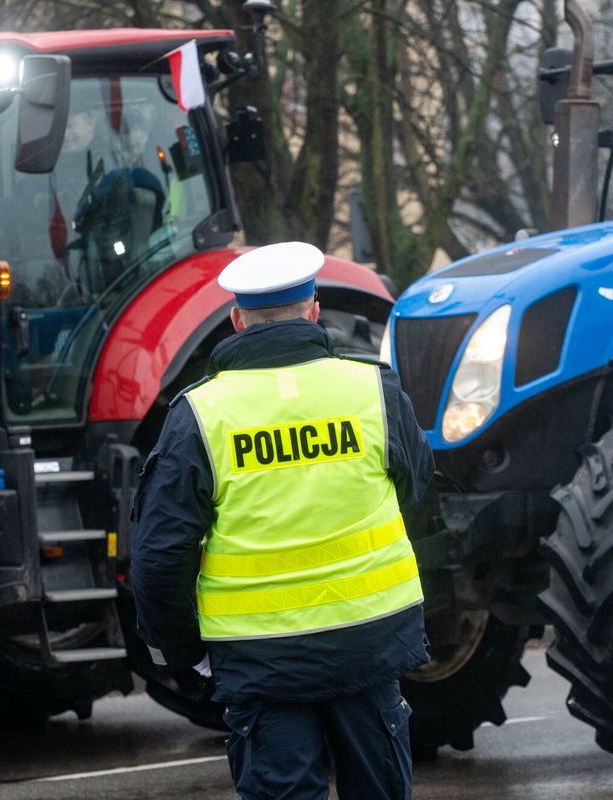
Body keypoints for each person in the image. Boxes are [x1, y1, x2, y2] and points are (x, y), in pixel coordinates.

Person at [129, 241, 434, 800]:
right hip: (369, 649)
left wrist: (186, 655)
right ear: (315, 309)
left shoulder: (199, 414)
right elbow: (420, 501)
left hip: (260, 664)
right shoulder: (374, 390)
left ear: (236, 320)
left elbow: (157, 561)